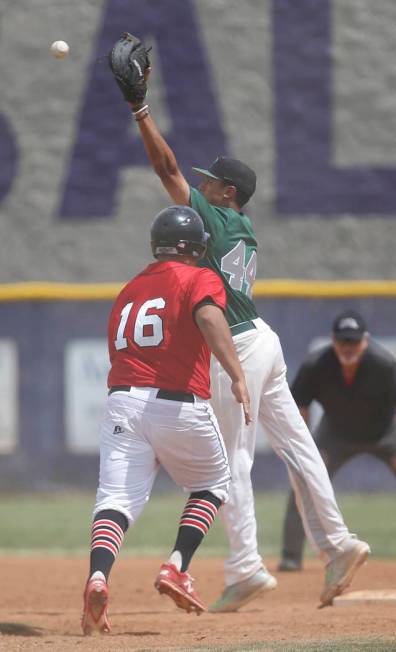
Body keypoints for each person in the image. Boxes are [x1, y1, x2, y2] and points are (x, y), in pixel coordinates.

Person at [109, 49, 370, 612]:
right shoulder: (243, 226)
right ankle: (340, 544)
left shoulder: (220, 216)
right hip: (264, 339)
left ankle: (246, 566)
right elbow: (181, 178)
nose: (200, 187)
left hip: (241, 344)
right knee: (299, 448)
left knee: (231, 460)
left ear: (227, 194)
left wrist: (140, 110)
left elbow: (166, 170)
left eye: (212, 184)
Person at [81, 205, 252, 635]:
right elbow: (210, 315)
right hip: (178, 403)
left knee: (115, 500)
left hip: (122, 401)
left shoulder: (129, 288)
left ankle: (98, 576)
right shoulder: (198, 276)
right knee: (213, 483)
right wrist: (237, 374)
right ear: (194, 248)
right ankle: (177, 565)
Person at [278, 309, 396, 572]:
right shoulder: (316, 365)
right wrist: (309, 451)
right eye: (343, 341)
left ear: (366, 340)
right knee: (304, 477)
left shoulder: (384, 364)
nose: (349, 347)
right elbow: (298, 409)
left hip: (385, 432)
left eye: (354, 341)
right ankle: (291, 556)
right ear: (333, 341)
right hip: (335, 432)